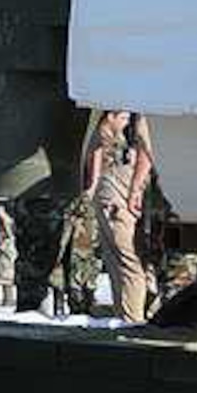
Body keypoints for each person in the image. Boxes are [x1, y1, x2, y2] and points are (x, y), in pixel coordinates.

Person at [83, 109, 153, 321]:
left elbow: (146, 151)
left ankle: (131, 319)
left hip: (121, 186)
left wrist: (134, 190)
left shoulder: (135, 107)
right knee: (120, 257)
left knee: (127, 257)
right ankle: (127, 316)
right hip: (117, 184)